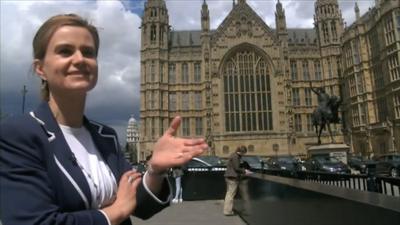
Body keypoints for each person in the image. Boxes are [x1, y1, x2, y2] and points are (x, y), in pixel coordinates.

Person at [0, 14, 208, 225]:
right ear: (40, 68)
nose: (79, 59)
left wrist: (155, 170)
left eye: (88, 52)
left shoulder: (105, 136)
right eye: (65, 51)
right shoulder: (19, 134)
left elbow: (141, 206)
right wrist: (113, 213)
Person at [223, 146, 251, 216]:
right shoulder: (236, 157)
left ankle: (227, 210)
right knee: (230, 194)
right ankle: (227, 211)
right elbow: (236, 168)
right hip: (232, 177)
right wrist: (245, 171)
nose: (244, 155)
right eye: (244, 153)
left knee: (229, 194)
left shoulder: (233, 155)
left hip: (229, 177)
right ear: (242, 151)